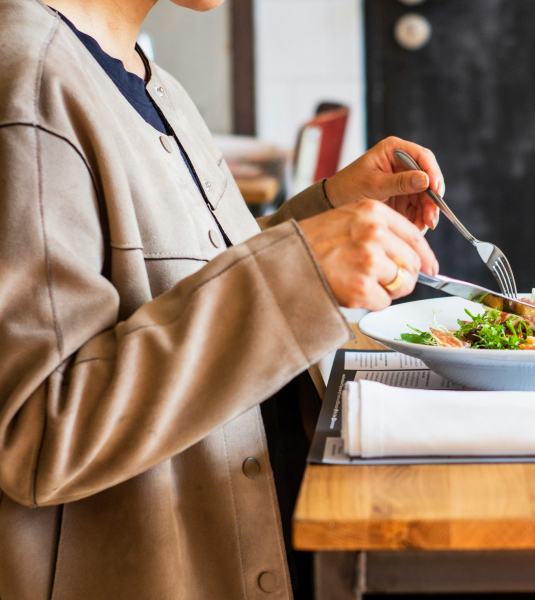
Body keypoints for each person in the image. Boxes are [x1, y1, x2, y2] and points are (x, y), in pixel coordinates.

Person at [0, 0, 444, 598]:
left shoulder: (153, 83)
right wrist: (300, 268)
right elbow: (37, 433)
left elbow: (185, 284)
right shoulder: (29, 81)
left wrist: (323, 211)